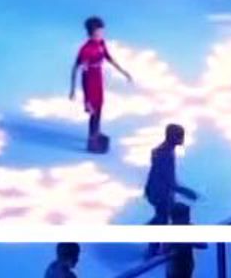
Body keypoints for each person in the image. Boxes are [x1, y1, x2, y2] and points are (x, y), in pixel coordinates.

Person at [70, 16, 134, 153]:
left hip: (98, 80)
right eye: (99, 32)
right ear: (92, 33)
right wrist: (80, 94)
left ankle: (96, 133)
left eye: (102, 32)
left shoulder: (101, 44)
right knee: (93, 110)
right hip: (90, 82)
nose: (101, 34)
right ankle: (92, 139)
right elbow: (79, 69)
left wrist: (124, 72)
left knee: (99, 108)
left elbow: (109, 58)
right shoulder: (85, 50)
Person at [145, 124, 200, 256]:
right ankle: (155, 247)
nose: (182, 139)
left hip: (159, 191)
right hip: (161, 193)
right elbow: (168, 179)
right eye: (179, 136)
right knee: (164, 217)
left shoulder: (166, 151)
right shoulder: (165, 154)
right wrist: (186, 191)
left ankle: (156, 243)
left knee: (163, 216)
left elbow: (158, 174)